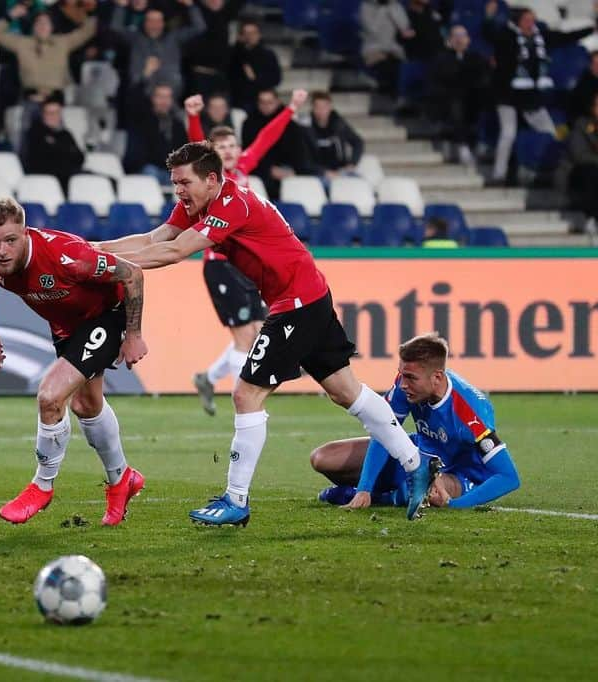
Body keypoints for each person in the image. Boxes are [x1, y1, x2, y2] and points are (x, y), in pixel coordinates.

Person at [97, 142, 434, 526]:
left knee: (247, 393)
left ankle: (236, 500)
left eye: (184, 182)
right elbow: (154, 239)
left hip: (297, 303)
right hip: (309, 295)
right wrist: (91, 249)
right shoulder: (201, 203)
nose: (178, 191)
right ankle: (415, 463)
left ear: (211, 178)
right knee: (346, 391)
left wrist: (102, 264)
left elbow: (174, 253)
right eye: (174, 183)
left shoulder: (231, 204)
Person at [0, 197, 149, 526]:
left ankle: (42, 485)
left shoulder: (68, 257)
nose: (1, 251)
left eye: (10, 240)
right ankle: (122, 478)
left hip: (106, 316)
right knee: (86, 405)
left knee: (50, 396)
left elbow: (133, 275)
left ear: (25, 234)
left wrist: (133, 334)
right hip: (66, 327)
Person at [183, 88, 308, 415]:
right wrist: (193, 117)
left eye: (232, 146)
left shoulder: (242, 172)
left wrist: (291, 109)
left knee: (255, 332)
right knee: (245, 338)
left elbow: (267, 138)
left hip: (246, 267)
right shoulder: (211, 178)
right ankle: (248, 401)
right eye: (220, 147)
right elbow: (196, 145)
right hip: (220, 263)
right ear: (211, 152)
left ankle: (208, 378)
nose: (228, 151)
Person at [311, 333, 520, 513]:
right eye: (401, 375)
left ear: (437, 378)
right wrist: (365, 487)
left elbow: (508, 477)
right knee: (322, 458)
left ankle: (372, 496)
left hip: (459, 473)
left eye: (410, 377)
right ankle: (372, 492)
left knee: (420, 489)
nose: (403, 384)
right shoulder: (407, 388)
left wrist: (455, 505)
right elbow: (383, 432)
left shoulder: (471, 413)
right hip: (417, 455)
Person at [482, 1, 593, 185]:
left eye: (532, 20)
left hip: (530, 97)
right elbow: (488, 34)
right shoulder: (506, 37)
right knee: (508, 133)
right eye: (526, 20)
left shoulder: (541, 36)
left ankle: (551, 170)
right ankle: (498, 174)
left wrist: (589, 30)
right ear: (518, 21)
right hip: (507, 95)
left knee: (549, 131)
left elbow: (564, 37)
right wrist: (488, 17)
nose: (530, 23)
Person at [0, 9, 96, 102]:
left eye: (46, 23)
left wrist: (83, 13)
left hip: (57, 97)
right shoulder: (22, 43)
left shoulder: (62, 42)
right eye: (39, 22)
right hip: (31, 97)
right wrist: (11, 16)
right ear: (33, 27)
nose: (42, 26)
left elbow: (87, 31)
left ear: (52, 27)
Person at [110, 0, 206, 100]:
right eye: (150, 20)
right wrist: (120, 7)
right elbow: (115, 28)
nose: (154, 24)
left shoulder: (173, 38)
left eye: (158, 21)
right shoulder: (136, 39)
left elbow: (199, 27)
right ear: (145, 23)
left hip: (170, 94)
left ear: (163, 23)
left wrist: (190, 5)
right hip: (143, 95)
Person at [555, 92, 598, 229]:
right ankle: (592, 218)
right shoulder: (581, 125)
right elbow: (581, 156)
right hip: (578, 175)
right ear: (593, 109)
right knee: (592, 171)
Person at [429, 24, 490, 165]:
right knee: (457, 107)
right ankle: (463, 147)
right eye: (455, 36)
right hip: (448, 98)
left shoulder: (476, 58)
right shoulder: (442, 58)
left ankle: (478, 144)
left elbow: (482, 79)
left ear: (468, 39)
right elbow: (440, 81)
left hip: (472, 97)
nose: (459, 40)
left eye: (462, 36)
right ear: (449, 40)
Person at [241, 89, 314, 198]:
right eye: (262, 102)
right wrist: (269, 170)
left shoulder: (291, 125)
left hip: (290, 169)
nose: (266, 106)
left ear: (277, 101)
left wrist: (295, 171)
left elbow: (299, 151)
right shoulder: (249, 124)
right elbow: (249, 152)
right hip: (261, 171)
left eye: (269, 102)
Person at [21, 94, 85, 192]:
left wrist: (57, 147)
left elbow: (80, 158)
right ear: (43, 115)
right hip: (47, 178)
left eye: (56, 113)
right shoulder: (35, 133)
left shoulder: (65, 134)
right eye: (49, 113)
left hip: (69, 174)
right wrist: (65, 151)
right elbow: (39, 159)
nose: (53, 116)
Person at [125, 82, 188, 182]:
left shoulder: (177, 125)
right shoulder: (142, 120)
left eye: (167, 97)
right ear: (153, 99)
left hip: (171, 170)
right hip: (148, 168)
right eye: (160, 97)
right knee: (151, 172)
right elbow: (140, 154)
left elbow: (184, 150)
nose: (164, 101)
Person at [304, 91, 364, 185]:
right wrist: (323, 172)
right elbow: (303, 158)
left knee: (359, 183)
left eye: (324, 107)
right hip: (317, 173)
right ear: (313, 108)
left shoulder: (339, 124)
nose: (321, 111)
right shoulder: (306, 127)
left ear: (330, 107)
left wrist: (352, 163)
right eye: (318, 107)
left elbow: (358, 142)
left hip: (339, 170)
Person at [227, 17, 281, 111]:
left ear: (259, 34)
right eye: (246, 33)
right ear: (240, 36)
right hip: (239, 102)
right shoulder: (234, 55)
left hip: (262, 102)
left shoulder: (268, 55)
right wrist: (238, 46)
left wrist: (255, 78)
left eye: (253, 33)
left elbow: (276, 79)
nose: (249, 36)